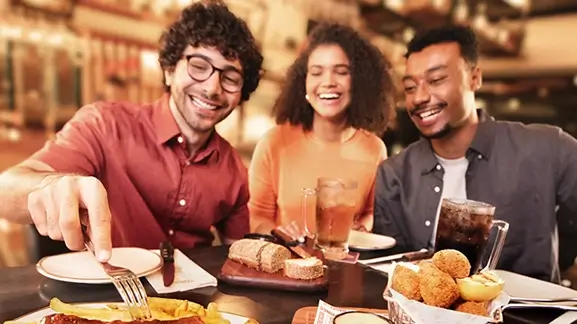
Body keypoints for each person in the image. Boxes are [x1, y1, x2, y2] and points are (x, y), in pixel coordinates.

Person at [0, 1, 263, 263]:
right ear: (169, 70)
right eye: (198, 66)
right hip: (104, 295)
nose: (212, 88)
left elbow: (236, 258)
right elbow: (6, 191)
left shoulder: (235, 173)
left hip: (190, 301)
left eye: (230, 78)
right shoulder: (105, 124)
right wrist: (50, 187)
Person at [374, 25, 577, 281]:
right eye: (411, 87)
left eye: (436, 80)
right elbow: (393, 267)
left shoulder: (546, 147)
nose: (420, 97)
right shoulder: (394, 173)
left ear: (474, 78)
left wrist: (558, 259)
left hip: (523, 317)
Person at [248, 22, 395, 235]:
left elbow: (370, 213)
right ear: (304, 83)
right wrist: (281, 236)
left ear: (359, 81)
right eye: (316, 72)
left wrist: (362, 227)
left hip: (344, 264)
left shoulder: (375, 149)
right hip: (287, 263)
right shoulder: (275, 142)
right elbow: (257, 218)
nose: (328, 82)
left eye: (341, 72)